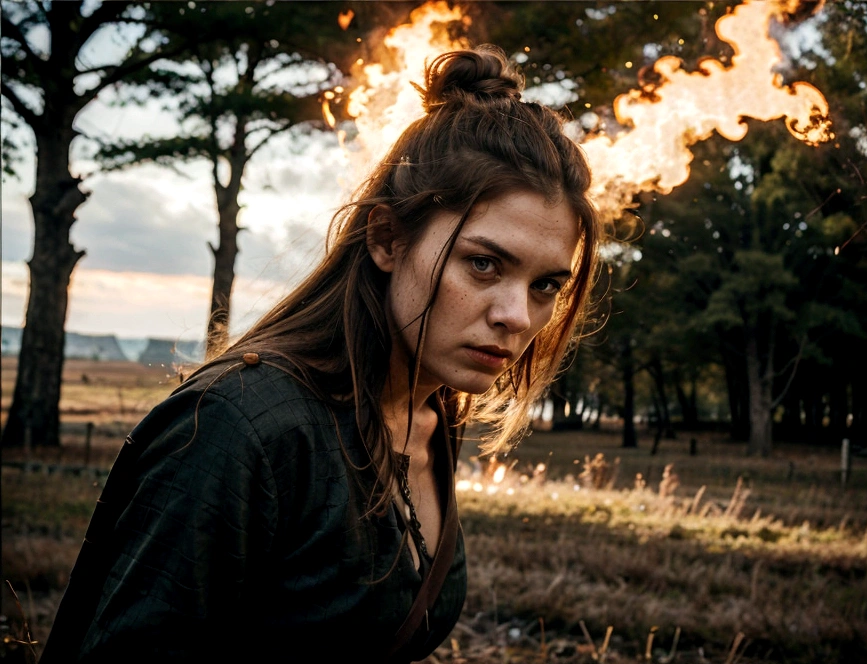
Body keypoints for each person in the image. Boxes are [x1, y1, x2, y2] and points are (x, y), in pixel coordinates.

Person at [40, 44, 600, 663]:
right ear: (387, 238)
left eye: (546, 284)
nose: (517, 316)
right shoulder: (240, 428)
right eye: (484, 263)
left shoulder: (432, 413)